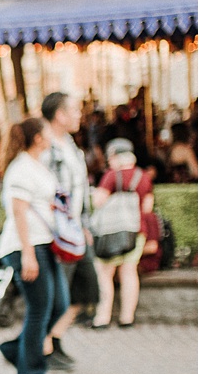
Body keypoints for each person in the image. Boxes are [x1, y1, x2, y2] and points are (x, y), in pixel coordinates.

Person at [0, 118, 69, 374]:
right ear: (38, 137)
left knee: (59, 304)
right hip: (27, 246)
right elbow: (18, 212)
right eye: (47, 131)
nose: (51, 134)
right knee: (39, 309)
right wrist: (27, 253)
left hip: (45, 243)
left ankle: (16, 350)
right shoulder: (21, 168)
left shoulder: (37, 165)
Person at [40, 91, 98, 358]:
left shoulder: (71, 144)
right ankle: (44, 347)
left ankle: (51, 339)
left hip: (75, 231)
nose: (79, 115)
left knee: (85, 289)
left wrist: (84, 223)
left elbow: (80, 190)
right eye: (74, 110)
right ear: (60, 115)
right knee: (59, 293)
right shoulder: (46, 147)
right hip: (57, 233)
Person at [91, 138, 154, 328]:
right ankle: (127, 317)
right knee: (129, 272)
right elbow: (148, 207)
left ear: (116, 157)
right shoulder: (143, 176)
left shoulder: (111, 176)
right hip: (137, 232)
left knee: (105, 273)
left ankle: (103, 317)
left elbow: (98, 202)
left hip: (111, 232)